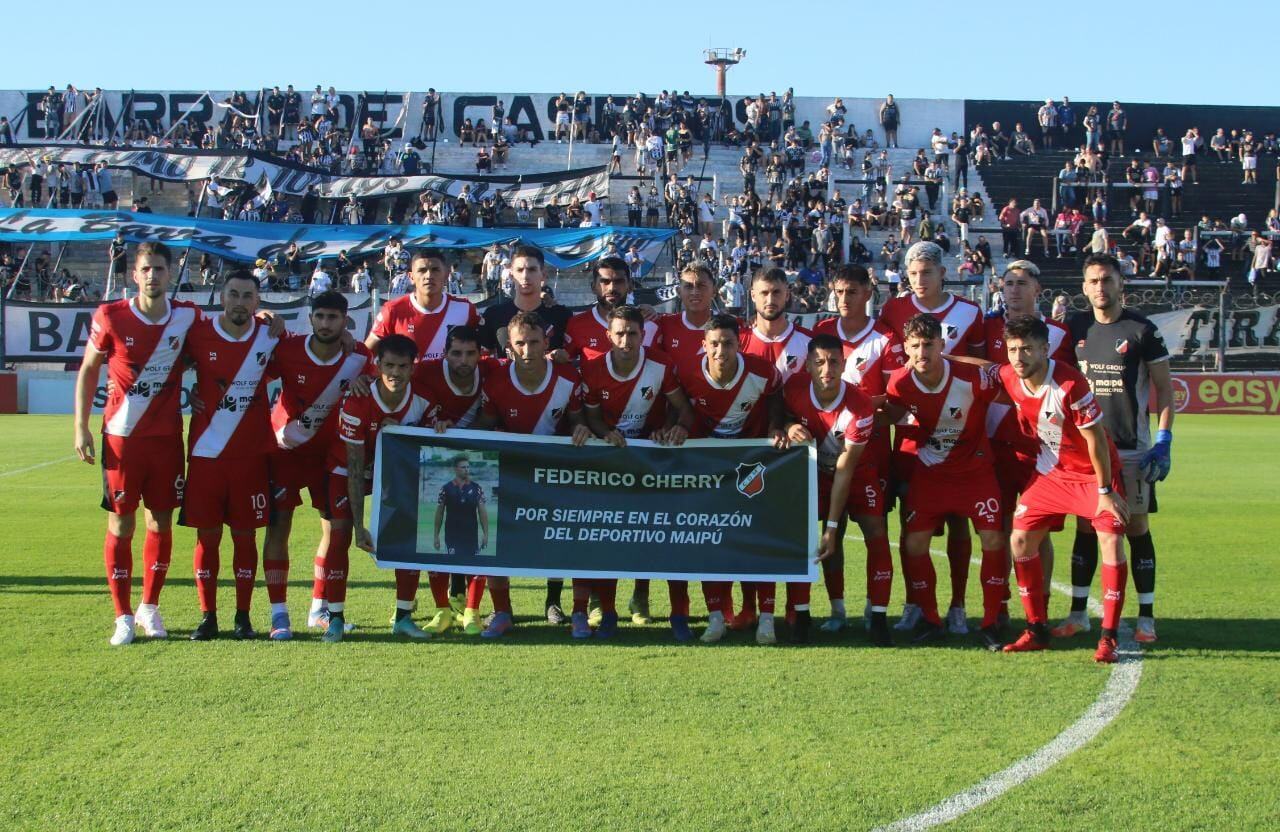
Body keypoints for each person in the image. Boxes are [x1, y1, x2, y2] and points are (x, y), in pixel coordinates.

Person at [74, 243, 199, 645]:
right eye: (146, 269)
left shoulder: (187, 317)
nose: (152, 276)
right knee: (121, 523)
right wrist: (81, 426)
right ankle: (122, 615)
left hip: (166, 440)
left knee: (161, 523)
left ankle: (149, 606)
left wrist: (266, 318)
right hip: (122, 440)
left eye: (159, 269)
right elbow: (89, 369)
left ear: (170, 273)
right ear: (134, 274)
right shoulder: (110, 315)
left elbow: (227, 337)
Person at [994, 315, 1130, 663]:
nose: (1018, 357)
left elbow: (1096, 439)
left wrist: (1105, 489)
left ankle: (1109, 638)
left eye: (1026, 349)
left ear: (1045, 348)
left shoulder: (1070, 383)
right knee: (1020, 539)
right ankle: (1036, 629)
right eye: (1012, 350)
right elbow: (984, 369)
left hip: (1093, 475)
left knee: (1111, 542)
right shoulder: (1010, 376)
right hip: (1051, 473)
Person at [1057, 253, 1172, 646]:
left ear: (1121, 283)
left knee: (1136, 527)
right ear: (1084, 287)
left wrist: (1164, 440)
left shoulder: (1143, 330)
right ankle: (1077, 614)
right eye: (1093, 281)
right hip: (1088, 452)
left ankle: (1146, 616)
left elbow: (1165, 391)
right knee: (1087, 527)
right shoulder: (1075, 329)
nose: (1101, 288)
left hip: (1132, 450)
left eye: (1107, 280)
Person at [877, 242, 985, 633]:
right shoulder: (893, 310)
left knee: (959, 521)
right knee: (911, 524)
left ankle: (957, 605)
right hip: (911, 434)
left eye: (927, 272)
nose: (919, 280)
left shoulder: (970, 312)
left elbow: (983, 368)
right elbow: (892, 368)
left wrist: (945, 362)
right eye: (913, 273)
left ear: (943, 273)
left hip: (960, 435)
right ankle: (915, 603)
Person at [882, 314, 1007, 645]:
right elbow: (890, 414)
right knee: (914, 543)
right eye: (915, 346)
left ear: (942, 345)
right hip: (931, 472)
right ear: (906, 348)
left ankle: (992, 621)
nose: (922, 353)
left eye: (928, 345)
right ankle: (931, 618)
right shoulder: (899, 383)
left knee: (994, 540)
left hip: (975, 473)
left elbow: (1016, 396)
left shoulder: (972, 378)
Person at [572, 305, 695, 640]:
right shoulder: (594, 368)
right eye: (620, 334)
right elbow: (592, 415)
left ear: (643, 335)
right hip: (612, 465)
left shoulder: (660, 363)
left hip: (653, 465)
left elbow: (683, 409)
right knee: (610, 538)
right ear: (608, 336)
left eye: (633, 334)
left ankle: (679, 615)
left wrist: (671, 428)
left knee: (666, 538)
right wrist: (604, 434)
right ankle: (608, 612)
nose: (626, 340)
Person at [463, 311, 584, 637]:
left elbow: (578, 421)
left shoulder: (568, 380)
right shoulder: (497, 382)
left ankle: (575, 610)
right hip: (510, 475)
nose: (528, 349)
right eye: (520, 343)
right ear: (509, 349)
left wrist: (584, 429)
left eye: (534, 342)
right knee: (496, 542)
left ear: (547, 342)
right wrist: (445, 437)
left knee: (564, 539)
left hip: (556, 474)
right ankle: (502, 611)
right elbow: (484, 425)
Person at [263, 292, 371, 640]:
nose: (326, 324)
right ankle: (279, 614)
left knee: (335, 532)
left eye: (333, 318)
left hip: (331, 456)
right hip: (287, 451)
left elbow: (382, 380)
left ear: (345, 321)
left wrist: (365, 382)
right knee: (279, 527)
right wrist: (263, 315)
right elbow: (249, 368)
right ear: (311, 318)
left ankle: (319, 610)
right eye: (320, 317)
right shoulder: (289, 349)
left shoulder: (360, 357)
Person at [181, 271, 282, 641]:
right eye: (234, 294)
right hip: (207, 454)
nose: (240, 302)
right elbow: (164, 362)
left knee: (245, 538)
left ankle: (242, 616)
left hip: (251, 456)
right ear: (222, 297)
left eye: (248, 296)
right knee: (207, 539)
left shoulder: (270, 335)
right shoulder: (199, 334)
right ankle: (208, 616)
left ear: (257, 301)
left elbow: (307, 355)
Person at [675, 314, 785, 644]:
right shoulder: (689, 372)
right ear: (703, 345)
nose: (721, 350)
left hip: (753, 464)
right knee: (712, 541)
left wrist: (775, 426)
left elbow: (777, 393)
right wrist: (679, 426)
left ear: (740, 344)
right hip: (711, 467)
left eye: (728, 343)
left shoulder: (762, 371)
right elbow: (681, 408)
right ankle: (715, 617)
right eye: (714, 344)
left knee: (759, 540)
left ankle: (767, 617)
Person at [810, 266, 901, 639]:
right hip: (823, 457)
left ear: (868, 292)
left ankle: (876, 612)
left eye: (852, 292)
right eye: (839, 292)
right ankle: (837, 610)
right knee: (831, 531)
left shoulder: (885, 338)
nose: (844, 299)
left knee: (873, 529)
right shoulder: (820, 334)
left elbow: (898, 404)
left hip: (869, 456)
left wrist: (859, 412)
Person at [327, 335, 436, 642]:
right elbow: (354, 465)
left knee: (409, 535)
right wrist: (361, 526)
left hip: (393, 473)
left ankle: (403, 617)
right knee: (340, 535)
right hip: (348, 470)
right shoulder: (357, 401)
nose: (395, 373)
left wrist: (411, 431)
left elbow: (427, 447)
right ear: (376, 365)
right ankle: (335, 618)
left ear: (413, 368)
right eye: (388, 364)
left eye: (403, 366)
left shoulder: (424, 400)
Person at [780, 334, 877, 643]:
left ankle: (876, 614)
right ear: (807, 365)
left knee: (874, 532)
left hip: (855, 474)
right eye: (819, 362)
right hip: (813, 474)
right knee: (804, 539)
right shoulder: (793, 389)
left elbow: (845, 472)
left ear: (844, 364)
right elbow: (779, 416)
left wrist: (832, 527)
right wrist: (786, 426)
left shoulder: (860, 406)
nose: (827, 369)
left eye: (834, 362)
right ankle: (810, 614)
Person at [365, 248, 480, 362]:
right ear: (411, 277)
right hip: (410, 381)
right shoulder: (393, 311)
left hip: (450, 381)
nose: (428, 275)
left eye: (435, 270)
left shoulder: (466, 309)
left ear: (446, 275)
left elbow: (484, 353)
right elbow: (366, 354)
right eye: (422, 270)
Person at [479, 246, 572, 357]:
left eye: (532, 270)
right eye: (520, 270)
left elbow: (571, 357)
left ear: (543, 274)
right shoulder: (493, 315)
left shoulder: (562, 315)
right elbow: (482, 360)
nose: (525, 276)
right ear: (511, 275)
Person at [564, 256, 657, 362]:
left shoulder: (649, 320)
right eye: (605, 281)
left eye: (619, 281)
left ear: (630, 286)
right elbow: (566, 364)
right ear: (593, 287)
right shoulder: (577, 325)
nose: (612, 288)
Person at [655, 264, 718, 366]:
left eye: (701, 286)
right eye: (688, 286)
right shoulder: (663, 324)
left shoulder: (736, 326)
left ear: (714, 290)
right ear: (679, 292)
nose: (695, 292)